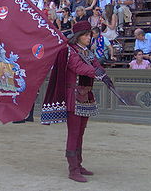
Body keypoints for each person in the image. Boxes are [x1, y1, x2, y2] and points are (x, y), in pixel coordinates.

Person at [41, 21, 110, 183]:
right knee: (74, 132)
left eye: (89, 35)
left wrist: (101, 72)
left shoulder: (87, 51)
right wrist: (97, 72)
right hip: (73, 95)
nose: (88, 37)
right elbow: (79, 67)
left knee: (81, 132)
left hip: (85, 95)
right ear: (78, 37)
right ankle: (73, 169)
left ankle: (78, 165)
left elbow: (96, 65)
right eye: (85, 35)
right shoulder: (70, 52)